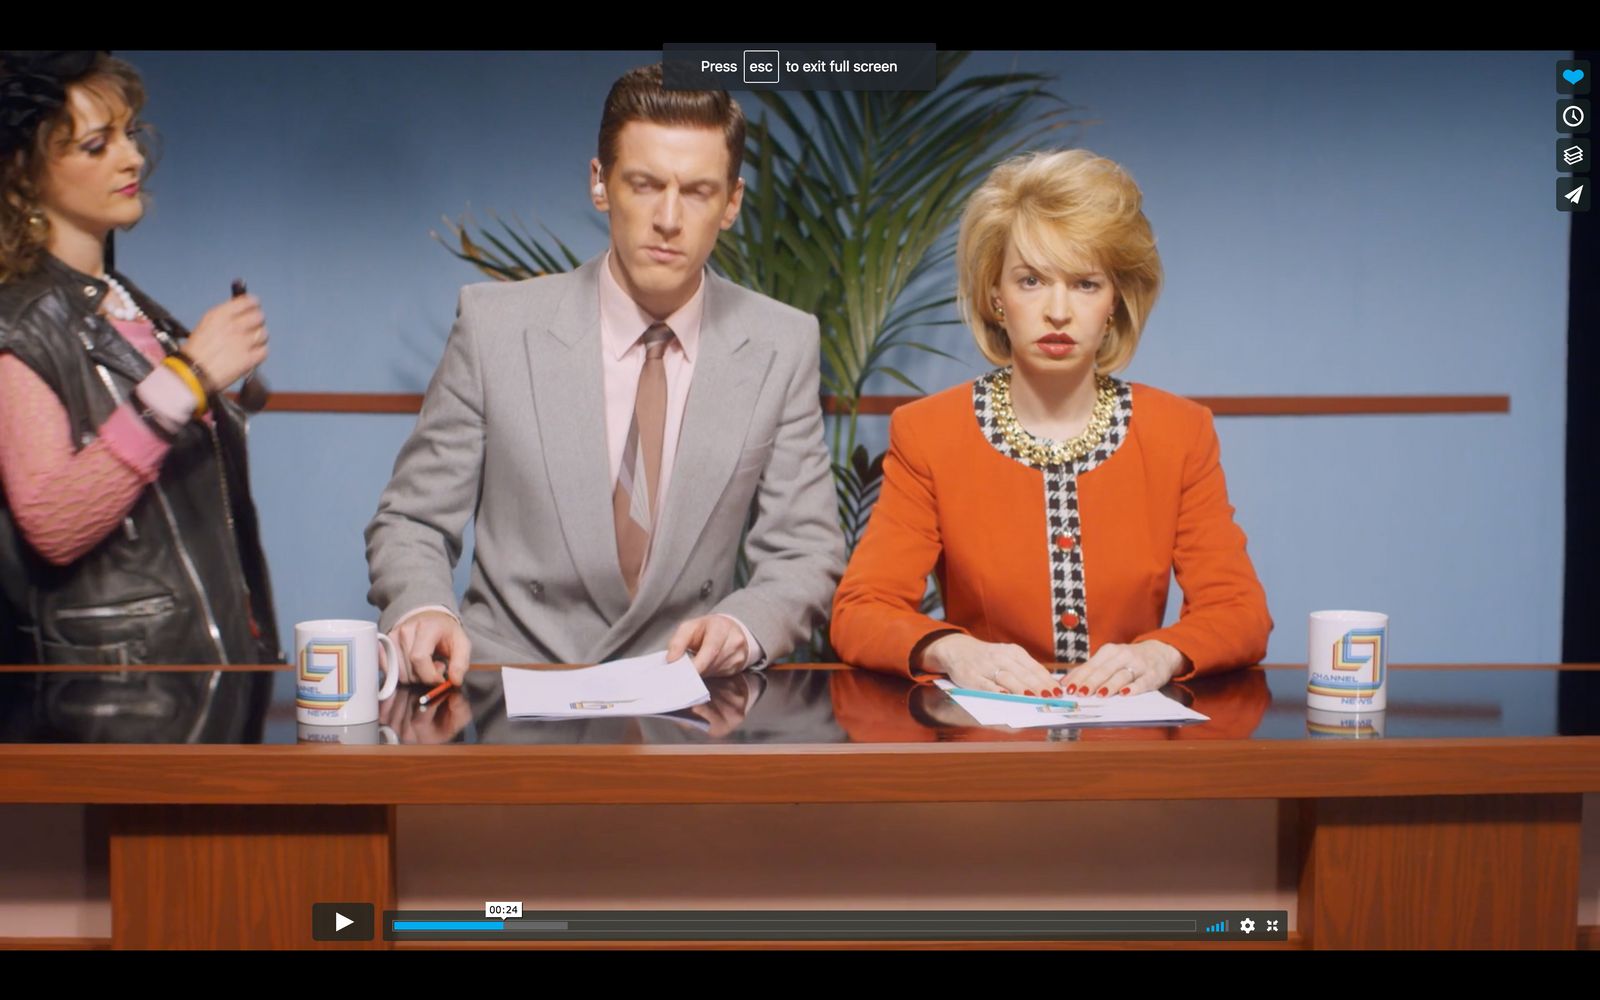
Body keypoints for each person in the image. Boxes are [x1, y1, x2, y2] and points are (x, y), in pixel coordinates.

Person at [365, 64, 844, 683]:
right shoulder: (495, 328)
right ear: (600, 183)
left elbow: (803, 551)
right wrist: (423, 609)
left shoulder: (782, 343)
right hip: (504, 698)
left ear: (731, 203)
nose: (668, 218)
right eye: (645, 184)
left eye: (697, 192)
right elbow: (412, 519)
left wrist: (743, 626)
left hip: (684, 703)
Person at [831, 149, 1271, 698]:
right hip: (990, 742)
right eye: (1031, 280)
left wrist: (1160, 654)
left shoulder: (1179, 432)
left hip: (1134, 743)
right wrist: (952, 649)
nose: (1057, 310)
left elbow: (1241, 612)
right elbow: (861, 610)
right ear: (996, 296)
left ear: (1115, 300)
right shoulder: (929, 433)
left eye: (1085, 283)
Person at [0, 51, 280, 669]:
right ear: (22, 173)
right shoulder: (17, 324)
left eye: (128, 134)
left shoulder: (136, 311)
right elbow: (54, 522)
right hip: (114, 714)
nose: (131, 158)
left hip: (199, 696)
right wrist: (190, 376)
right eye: (96, 145)